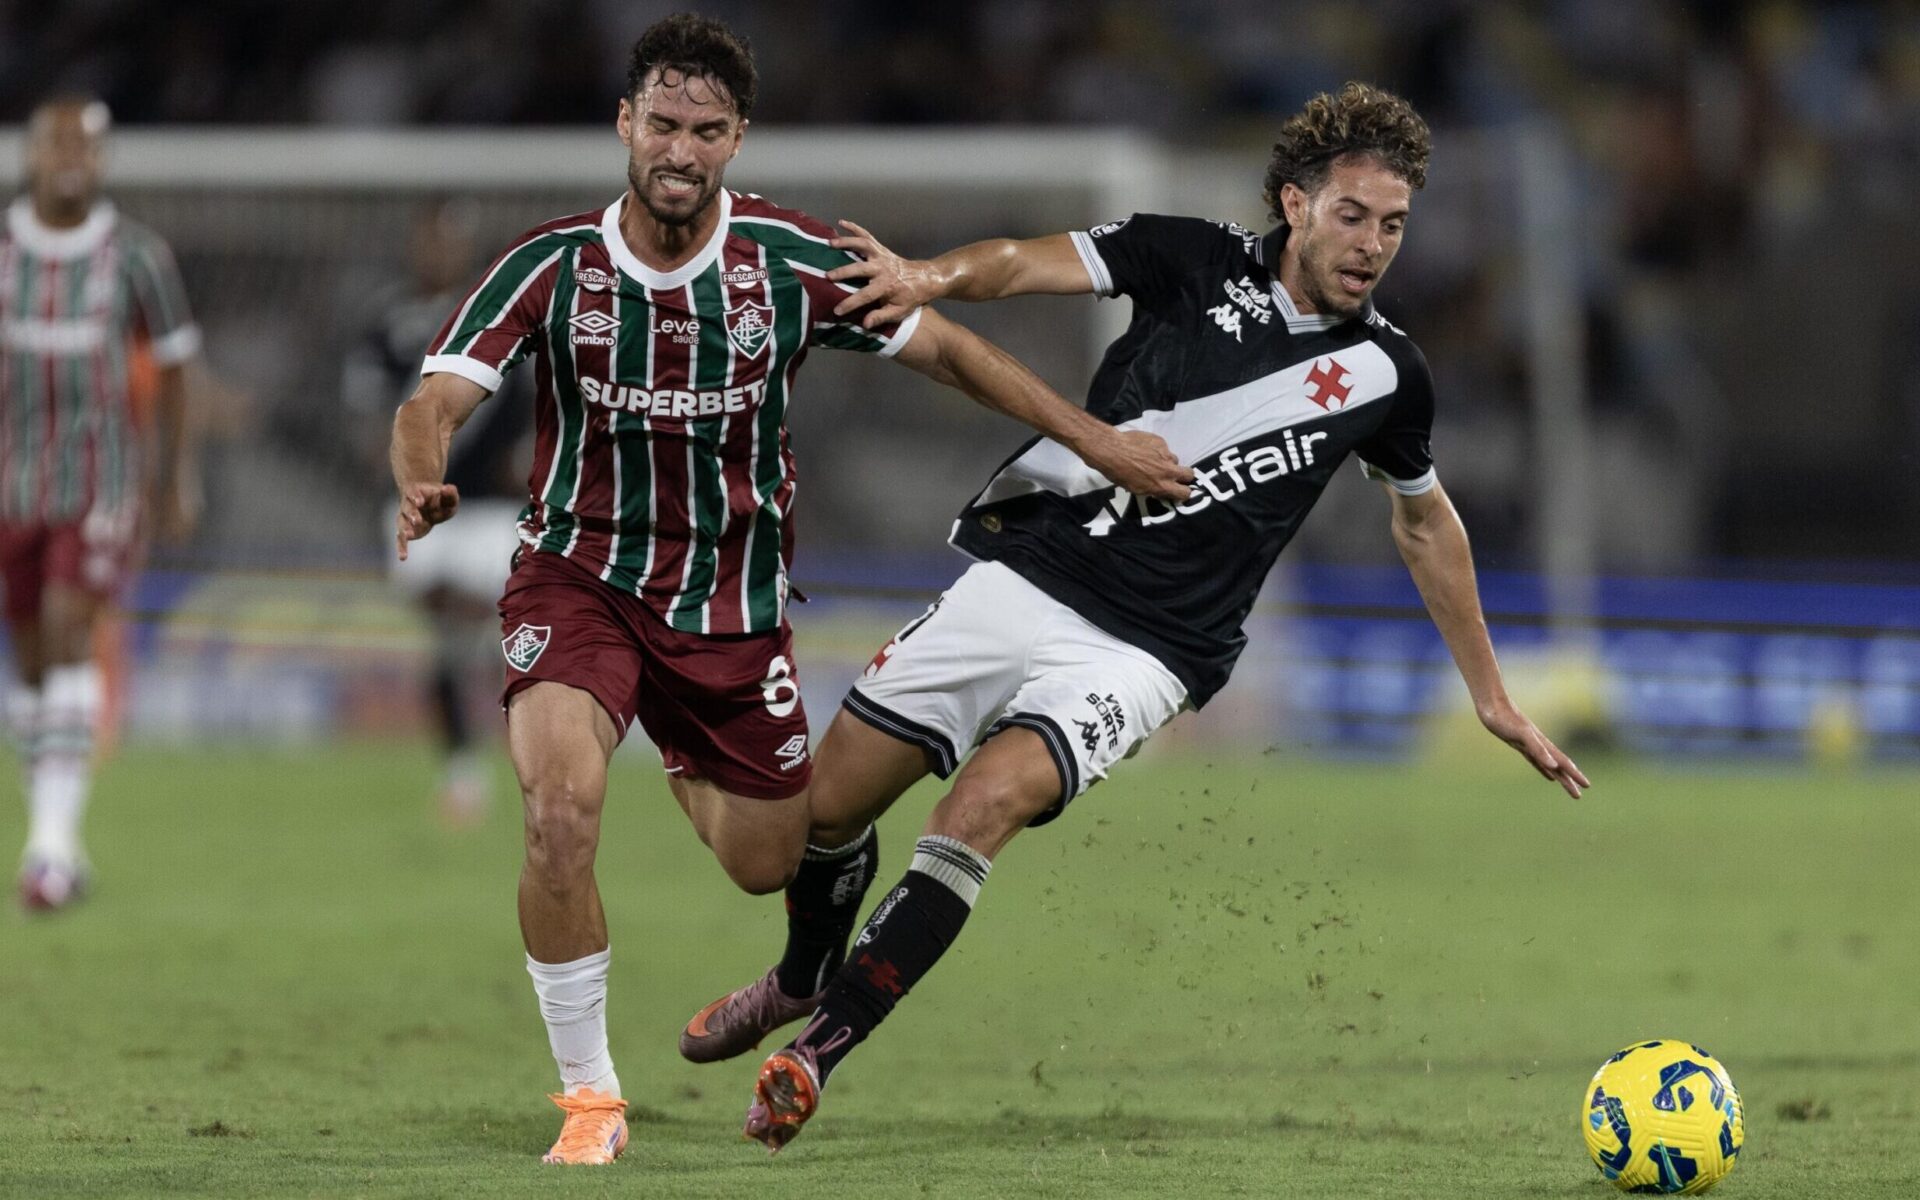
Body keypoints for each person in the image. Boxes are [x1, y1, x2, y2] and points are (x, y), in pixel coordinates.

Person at [670, 81, 1593, 1152]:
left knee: (985, 805)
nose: (1373, 245)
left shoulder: (1389, 373)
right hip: (1031, 571)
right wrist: (927, 276)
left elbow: (1426, 524)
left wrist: (1491, 696)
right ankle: (800, 977)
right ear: (1296, 203)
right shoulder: (1188, 256)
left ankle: (816, 1052)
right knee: (823, 816)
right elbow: (1019, 265)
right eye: (1353, 215)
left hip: (1151, 651)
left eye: (1393, 225)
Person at [386, 14, 1190, 1167]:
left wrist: (1095, 439)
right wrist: (420, 475)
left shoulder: (791, 262)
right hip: (578, 579)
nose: (681, 150)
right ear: (625, 124)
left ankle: (682, 750)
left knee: (766, 860)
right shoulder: (550, 265)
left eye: (706, 130)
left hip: (728, 608)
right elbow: (433, 400)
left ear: (737, 139)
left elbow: (952, 352)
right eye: (663, 124)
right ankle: (590, 1104)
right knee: (559, 808)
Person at [1, 95, 200, 911]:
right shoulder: (4, 251)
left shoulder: (138, 257)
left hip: (101, 478)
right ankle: (58, 838)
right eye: (58, 145)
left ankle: (47, 850)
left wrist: (175, 476)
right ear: (32, 155)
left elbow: (178, 367)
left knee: (67, 626)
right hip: (13, 480)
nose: (71, 160)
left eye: (84, 146)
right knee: (30, 662)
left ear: (102, 158)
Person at [346, 199, 531, 825]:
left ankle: (479, 767)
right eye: (430, 240)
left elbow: (531, 405)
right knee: (452, 624)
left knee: (477, 626)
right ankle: (464, 767)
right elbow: (367, 410)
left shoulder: (498, 317)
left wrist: (525, 462)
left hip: (491, 510)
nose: (439, 252)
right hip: (421, 505)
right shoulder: (390, 322)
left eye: (450, 241)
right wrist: (388, 462)